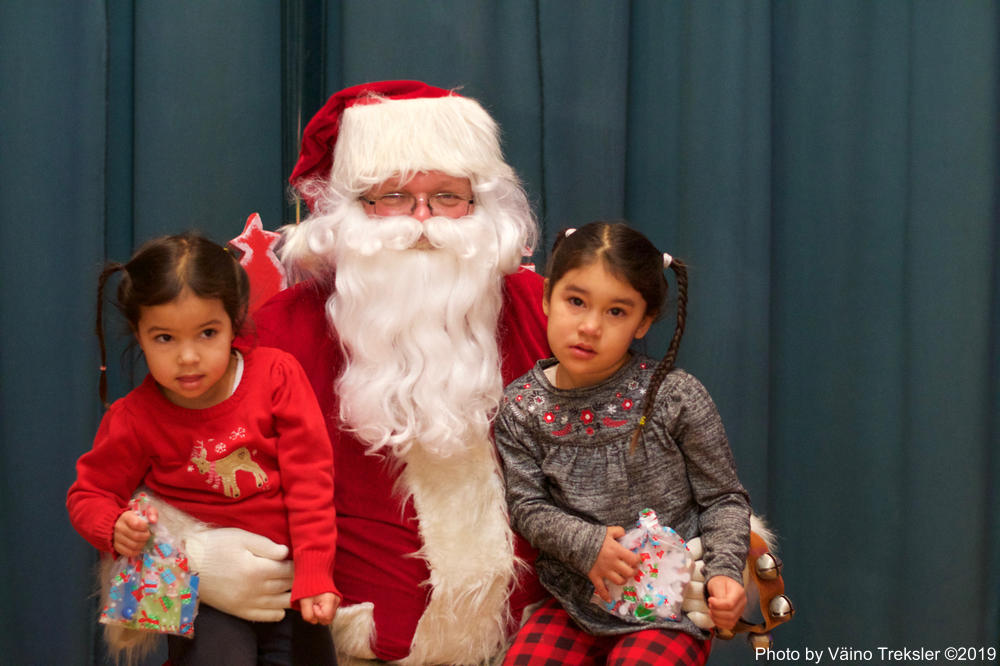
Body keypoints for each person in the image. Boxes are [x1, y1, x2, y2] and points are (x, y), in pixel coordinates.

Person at [153, 81, 723, 664]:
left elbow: (647, 462)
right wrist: (189, 566)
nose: (422, 220)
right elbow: (135, 493)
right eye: (395, 196)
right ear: (352, 209)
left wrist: (715, 562)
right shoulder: (280, 333)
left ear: (482, 204)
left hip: (529, 645)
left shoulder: (546, 314)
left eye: (447, 196)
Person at [66, 232, 339, 665]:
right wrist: (114, 526)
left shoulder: (277, 378)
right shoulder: (133, 418)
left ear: (234, 322)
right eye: (165, 338)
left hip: (288, 582)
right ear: (139, 335)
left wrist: (315, 571)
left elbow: (311, 481)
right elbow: (88, 494)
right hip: (206, 596)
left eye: (207, 333)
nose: (188, 357)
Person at [495, 222, 751, 665]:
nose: (590, 326)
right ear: (547, 297)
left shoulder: (675, 396)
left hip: (668, 607)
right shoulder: (521, 408)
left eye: (616, 311)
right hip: (573, 603)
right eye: (576, 301)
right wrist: (586, 544)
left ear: (643, 322)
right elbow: (527, 505)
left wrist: (725, 573)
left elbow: (723, 498)